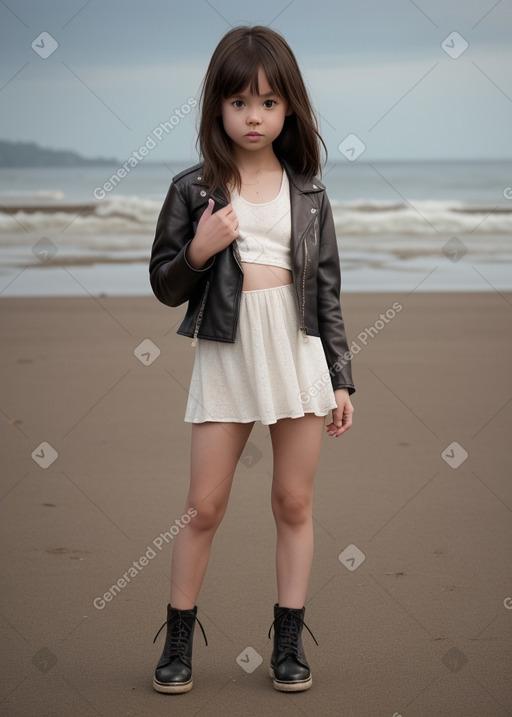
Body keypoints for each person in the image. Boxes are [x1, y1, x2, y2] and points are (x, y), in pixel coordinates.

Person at [149, 24, 355, 694]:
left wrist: (342, 378)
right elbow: (164, 284)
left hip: (297, 356)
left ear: (289, 107)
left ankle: (288, 643)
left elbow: (325, 290)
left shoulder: (312, 193)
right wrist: (201, 249)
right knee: (202, 507)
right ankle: (178, 640)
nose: (254, 115)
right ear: (218, 109)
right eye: (239, 102)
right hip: (228, 353)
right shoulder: (193, 189)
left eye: (268, 102)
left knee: (293, 500)